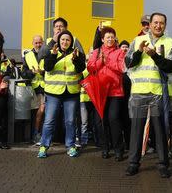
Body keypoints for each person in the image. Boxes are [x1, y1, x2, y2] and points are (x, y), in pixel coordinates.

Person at [125, 12, 172, 178]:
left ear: (165, 25)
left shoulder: (170, 43)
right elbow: (128, 63)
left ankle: (163, 164)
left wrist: (154, 55)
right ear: (150, 23)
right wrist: (139, 53)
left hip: (159, 93)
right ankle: (133, 163)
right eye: (155, 22)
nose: (158, 26)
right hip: (139, 92)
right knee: (136, 129)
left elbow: (170, 66)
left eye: (161, 23)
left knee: (160, 129)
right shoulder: (138, 40)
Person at [37, 30, 86, 158]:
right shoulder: (51, 51)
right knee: (49, 121)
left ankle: (70, 146)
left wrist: (76, 59)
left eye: (68, 40)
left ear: (71, 42)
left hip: (71, 92)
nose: (65, 42)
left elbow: (81, 68)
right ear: (59, 41)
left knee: (70, 121)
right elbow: (47, 67)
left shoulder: (76, 53)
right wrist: (52, 55)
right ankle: (43, 146)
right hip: (53, 92)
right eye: (63, 39)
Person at [87, 27, 126, 161]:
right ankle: (105, 148)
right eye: (107, 37)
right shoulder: (97, 51)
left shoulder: (120, 52)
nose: (110, 39)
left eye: (112, 37)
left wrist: (107, 62)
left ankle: (118, 149)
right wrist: (100, 61)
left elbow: (122, 68)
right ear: (102, 39)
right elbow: (90, 67)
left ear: (115, 38)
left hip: (115, 91)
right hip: (99, 91)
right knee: (100, 121)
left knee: (113, 119)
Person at [22, 35, 45, 145]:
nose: (38, 45)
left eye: (40, 42)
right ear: (32, 43)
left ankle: (38, 134)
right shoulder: (28, 55)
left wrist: (42, 72)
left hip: (45, 87)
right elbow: (23, 73)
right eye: (36, 43)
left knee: (42, 111)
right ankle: (35, 135)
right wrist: (32, 72)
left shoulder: (46, 53)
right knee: (35, 113)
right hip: (32, 87)